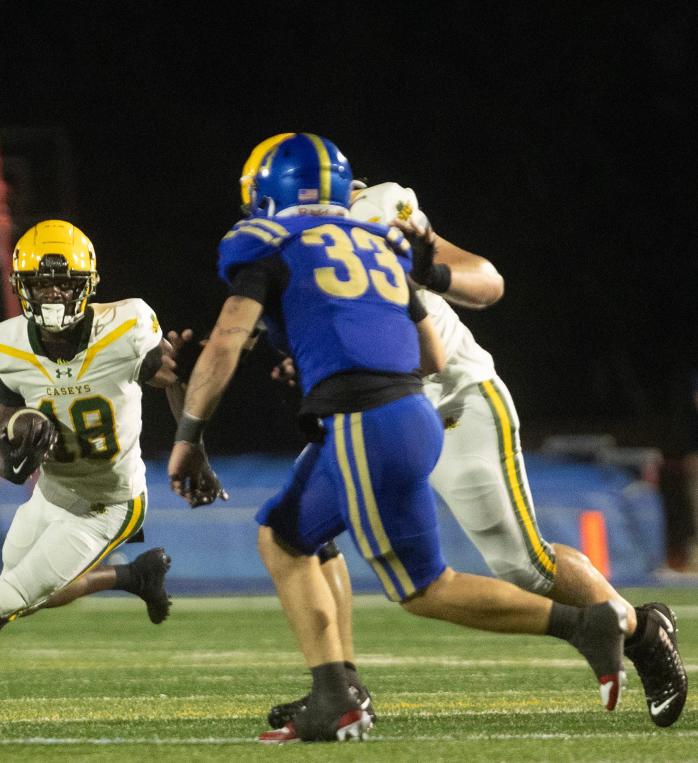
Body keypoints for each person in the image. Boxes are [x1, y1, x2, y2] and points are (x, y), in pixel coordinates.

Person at [167, 133, 631, 744]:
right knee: (285, 535)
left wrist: (188, 436)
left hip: (384, 412)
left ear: (273, 192)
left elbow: (226, 345)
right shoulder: (376, 243)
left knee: (424, 587)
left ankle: (587, 624)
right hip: (402, 404)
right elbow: (429, 353)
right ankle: (337, 695)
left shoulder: (280, 240)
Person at [0, 220, 217, 694]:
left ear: (89, 286)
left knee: (0, 603)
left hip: (111, 503)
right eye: (42, 283)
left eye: (65, 282)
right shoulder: (3, 345)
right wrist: (14, 454)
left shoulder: (128, 324)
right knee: (32, 591)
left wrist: (193, 445)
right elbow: (4, 439)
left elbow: (168, 375)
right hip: (53, 494)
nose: (54, 293)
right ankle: (131, 576)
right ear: (23, 287)